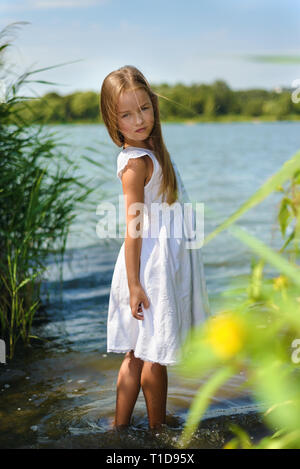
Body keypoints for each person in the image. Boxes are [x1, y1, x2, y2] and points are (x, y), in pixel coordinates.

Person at [100, 65, 210, 430]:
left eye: (144, 108)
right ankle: (157, 429)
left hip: (156, 260)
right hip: (149, 266)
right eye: (127, 114)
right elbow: (132, 229)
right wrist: (134, 284)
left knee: (137, 351)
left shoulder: (151, 149)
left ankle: (121, 428)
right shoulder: (136, 163)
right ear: (114, 122)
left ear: (154, 106)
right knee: (154, 353)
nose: (139, 120)